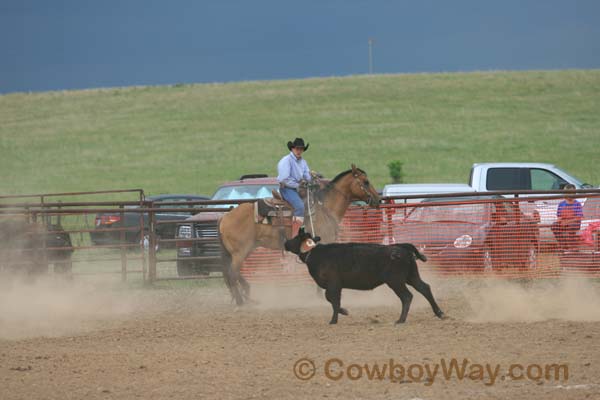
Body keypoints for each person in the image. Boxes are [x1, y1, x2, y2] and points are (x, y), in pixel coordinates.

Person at [277, 137, 311, 224]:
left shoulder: (303, 162)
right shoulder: (286, 160)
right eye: (297, 148)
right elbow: (284, 180)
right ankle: (296, 234)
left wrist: (310, 180)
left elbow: (307, 176)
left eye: (301, 149)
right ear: (292, 149)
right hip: (287, 189)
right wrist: (299, 185)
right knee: (299, 206)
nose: (299, 151)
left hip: (298, 188)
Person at [551, 183, 583, 250]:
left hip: (574, 223)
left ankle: (573, 248)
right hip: (564, 222)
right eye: (567, 192)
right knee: (554, 226)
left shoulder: (577, 204)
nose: (569, 195)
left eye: (571, 193)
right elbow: (559, 217)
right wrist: (557, 222)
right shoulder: (561, 204)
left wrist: (567, 222)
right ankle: (564, 245)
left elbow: (578, 218)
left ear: (574, 193)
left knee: (571, 228)